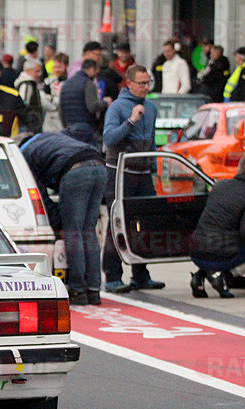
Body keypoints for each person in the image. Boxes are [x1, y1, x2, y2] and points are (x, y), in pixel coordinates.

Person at [21, 130, 108, 305]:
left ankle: (78, 290)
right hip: (99, 165)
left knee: (73, 232)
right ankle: (93, 289)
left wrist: (56, 220)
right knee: (88, 231)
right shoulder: (49, 138)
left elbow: (39, 195)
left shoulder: (23, 155)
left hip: (75, 172)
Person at [102, 64, 165, 293]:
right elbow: (109, 138)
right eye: (141, 83)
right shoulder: (118, 108)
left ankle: (140, 274)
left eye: (148, 83)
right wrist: (130, 121)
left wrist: (155, 170)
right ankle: (112, 275)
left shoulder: (151, 107)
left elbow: (152, 141)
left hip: (142, 174)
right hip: (119, 174)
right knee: (117, 224)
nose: (146, 87)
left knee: (143, 225)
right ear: (129, 83)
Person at [190, 154, 245, 298]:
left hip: (196, 250)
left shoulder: (219, 186)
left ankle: (199, 276)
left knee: (215, 241)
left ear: (239, 169)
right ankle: (224, 277)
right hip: (221, 255)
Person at [59, 59, 108, 142]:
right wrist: (105, 103)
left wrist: (66, 125)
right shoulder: (88, 83)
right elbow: (92, 107)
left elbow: (60, 109)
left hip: (69, 129)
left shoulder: (66, 84)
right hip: (86, 129)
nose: (96, 75)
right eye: (96, 72)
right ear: (92, 69)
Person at [14, 58, 45, 134]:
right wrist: (31, 119)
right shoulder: (27, 84)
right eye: (37, 71)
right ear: (28, 71)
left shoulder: (29, 83)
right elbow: (23, 103)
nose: (39, 74)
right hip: (28, 125)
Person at [41, 52, 68, 132]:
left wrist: (51, 99)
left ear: (66, 66)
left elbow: (63, 101)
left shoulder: (69, 83)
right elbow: (43, 100)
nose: (57, 70)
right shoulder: (48, 83)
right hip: (49, 121)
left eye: (60, 67)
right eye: (55, 67)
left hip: (63, 121)